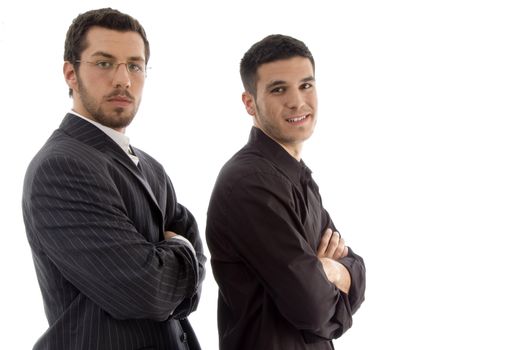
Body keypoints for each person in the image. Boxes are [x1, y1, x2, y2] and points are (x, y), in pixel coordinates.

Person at [22, 8, 205, 350]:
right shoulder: (61, 167)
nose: (123, 79)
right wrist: (181, 250)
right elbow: (148, 292)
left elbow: (195, 252)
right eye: (104, 63)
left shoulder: (151, 167)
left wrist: (177, 259)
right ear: (70, 74)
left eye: (135, 65)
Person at [206, 34, 366, 349]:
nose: (297, 101)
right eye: (279, 89)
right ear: (249, 102)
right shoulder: (250, 183)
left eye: (306, 85)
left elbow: (357, 268)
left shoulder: (295, 177)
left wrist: (330, 269)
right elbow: (312, 308)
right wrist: (326, 281)